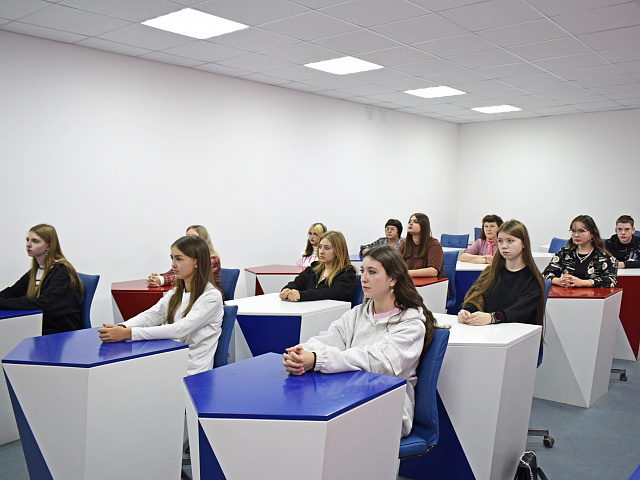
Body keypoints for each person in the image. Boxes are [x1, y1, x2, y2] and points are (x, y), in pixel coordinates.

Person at [282, 246, 438, 437]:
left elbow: (377, 362)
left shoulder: (411, 324)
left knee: (317, 430)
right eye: (363, 271)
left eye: (372, 272)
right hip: (352, 395)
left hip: (390, 408)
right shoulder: (358, 313)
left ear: (393, 279)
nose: (363, 278)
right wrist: (301, 353)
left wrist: (317, 360)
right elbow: (331, 337)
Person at [99, 235, 223, 375]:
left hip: (192, 371)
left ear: (196, 262)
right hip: (169, 360)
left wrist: (129, 333)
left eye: (179, 259)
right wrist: (123, 326)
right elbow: (152, 315)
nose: (173, 264)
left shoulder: (211, 297)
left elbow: (179, 329)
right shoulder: (176, 292)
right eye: (172, 258)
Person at [0, 224, 84, 335]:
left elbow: (45, 304)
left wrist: (3, 303)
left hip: (61, 329)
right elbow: (12, 292)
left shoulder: (61, 271)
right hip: (41, 323)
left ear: (49, 245)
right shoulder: (36, 271)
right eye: (28, 240)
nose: (28, 245)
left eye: (35, 241)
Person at [458, 220, 545, 326]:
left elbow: (518, 312)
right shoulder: (491, 271)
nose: (504, 246)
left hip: (515, 331)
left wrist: (492, 317)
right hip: (487, 329)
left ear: (524, 243)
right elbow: (477, 296)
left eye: (510, 241)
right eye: (500, 241)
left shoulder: (532, 280)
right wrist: (467, 311)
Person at [148, 225, 223, 298]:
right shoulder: (186, 258)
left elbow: (192, 276)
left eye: (193, 236)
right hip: (189, 294)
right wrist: (157, 277)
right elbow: (173, 272)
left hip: (205, 295)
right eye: (187, 236)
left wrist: (162, 280)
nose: (189, 240)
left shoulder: (212, 259)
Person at [281, 230, 357, 302]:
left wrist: (302, 295)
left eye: (327, 248)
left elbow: (331, 293)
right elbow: (296, 283)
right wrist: (287, 290)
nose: (321, 251)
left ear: (338, 250)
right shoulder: (313, 268)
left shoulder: (347, 273)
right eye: (320, 247)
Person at [543, 215, 617, 288]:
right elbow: (545, 274)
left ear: (592, 233)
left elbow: (611, 280)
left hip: (593, 295)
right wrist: (559, 281)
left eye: (581, 231)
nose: (576, 235)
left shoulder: (604, 257)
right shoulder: (564, 252)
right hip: (567, 294)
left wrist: (583, 283)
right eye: (573, 231)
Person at [397, 213, 444, 278]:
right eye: (410, 221)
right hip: (409, 280)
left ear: (423, 226)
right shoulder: (404, 243)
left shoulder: (434, 245)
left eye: (416, 222)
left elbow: (433, 271)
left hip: (431, 282)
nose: (411, 224)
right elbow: (394, 262)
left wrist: (404, 273)